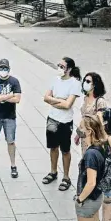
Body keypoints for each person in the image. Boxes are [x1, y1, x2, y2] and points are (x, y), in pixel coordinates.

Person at [42, 57, 82, 191]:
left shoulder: (75, 83)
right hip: (52, 119)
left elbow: (68, 105)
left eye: (62, 66)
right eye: (58, 65)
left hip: (65, 121)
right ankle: (53, 172)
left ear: (69, 69)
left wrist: (53, 101)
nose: (59, 68)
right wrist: (59, 100)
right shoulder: (55, 80)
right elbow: (45, 98)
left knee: (65, 149)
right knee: (53, 147)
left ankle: (66, 177)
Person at [74, 114, 108, 221]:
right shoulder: (100, 147)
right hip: (97, 197)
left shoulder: (90, 154)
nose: (79, 130)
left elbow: (91, 182)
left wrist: (80, 199)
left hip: (88, 200)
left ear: (89, 131)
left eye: (81, 127)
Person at [78, 72, 108, 155]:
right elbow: (83, 118)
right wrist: (79, 134)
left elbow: (102, 123)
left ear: (94, 84)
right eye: (84, 80)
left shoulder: (100, 101)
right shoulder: (85, 98)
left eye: (88, 81)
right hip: (85, 138)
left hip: (95, 139)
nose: (85, 83)